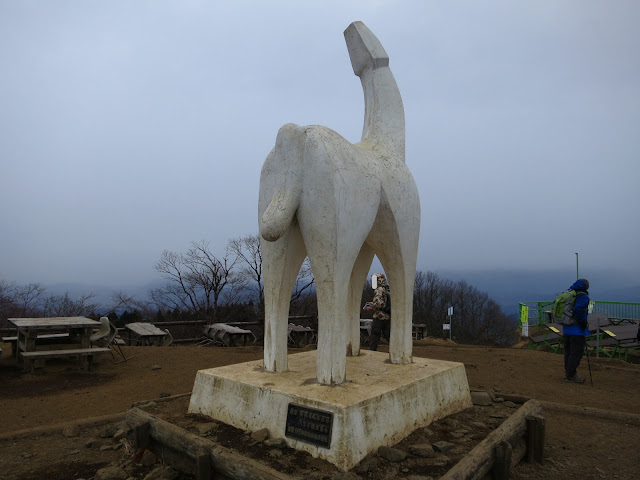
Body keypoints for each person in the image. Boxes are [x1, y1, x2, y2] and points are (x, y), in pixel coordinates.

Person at [562, 278, 590, 383]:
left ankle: (568, 373)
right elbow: (578, 310)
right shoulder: (582, 296)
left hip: (567, 327)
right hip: (577, 330)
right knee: (576, 353)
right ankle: (571, 375)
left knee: (568, 352)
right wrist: (582, 322)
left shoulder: (570, 293)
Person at [363, 273, 390, 351]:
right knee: (388, 335)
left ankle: (372, 351)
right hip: (387, 316)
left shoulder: (378, 290)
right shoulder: (386, 289)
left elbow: (379, 304)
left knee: (375, 335)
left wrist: (370, 307)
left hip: (379, 317)